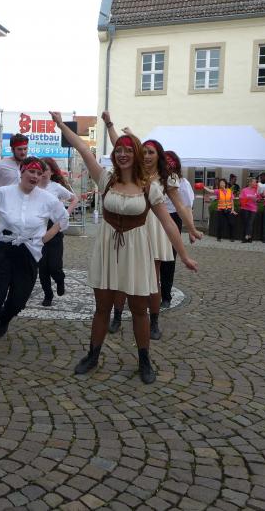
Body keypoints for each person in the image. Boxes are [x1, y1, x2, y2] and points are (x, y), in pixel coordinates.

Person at [52, 112, 197, 383]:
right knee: (102, 307)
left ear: (136, 154)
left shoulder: (149, 187)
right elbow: (82, 148)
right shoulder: (105, 178)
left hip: (136, 251)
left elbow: (168, 224)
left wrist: (185, 256)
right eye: (118, 150)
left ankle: (144, 360)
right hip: (107, 249)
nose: (122, 154)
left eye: (128, 150)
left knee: (139, 309)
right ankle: (93, 354)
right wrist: (61, 125)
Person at [103, 115, 202, 336]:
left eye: (151, 152)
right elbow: (118, 144)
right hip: (132, 225)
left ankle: (154, 321)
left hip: (155, 228)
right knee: (121, 275)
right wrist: (110, 125)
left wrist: (192, 229)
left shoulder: (167, 178)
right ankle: (117, 316)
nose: (147, 156)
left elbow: (181, 206)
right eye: (144, 152)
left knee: (152, 279)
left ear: (159, 156)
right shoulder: (135, 173)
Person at [0, 156, 69, 362]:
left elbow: (63, 219)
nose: (35, 176)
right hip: (3, 250)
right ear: (22, 171)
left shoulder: (47, 198)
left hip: (29, 253)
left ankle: (5, 318)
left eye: (39, 173)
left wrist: (44, 238)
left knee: (19, 300)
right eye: (31, 171)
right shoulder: (3, 193)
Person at [37, 157, 78, 307]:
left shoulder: (56, 187)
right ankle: (48, 294)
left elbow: (74, 199)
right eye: (40, 169)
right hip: (38, 230)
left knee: (54, 266)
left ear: (52, 172)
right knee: (42, 267)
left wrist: (66, 213)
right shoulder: (33, 186)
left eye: (46, 169)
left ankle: (60, 279)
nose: (42, 173)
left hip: (54, 228)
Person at [158, 151, 195, 307]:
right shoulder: (155, 180)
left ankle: (166, 296)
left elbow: (186, 207)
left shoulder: (182, 183)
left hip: (173, 218)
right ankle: (150, 292)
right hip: (155, 218)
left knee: (168, 258)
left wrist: (191, 230)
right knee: (153, 257)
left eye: (170, 163)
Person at [239, 177, 261, 243]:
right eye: (254, 182)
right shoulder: (244, 190)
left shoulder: (257, 190)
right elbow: (241, 199)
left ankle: (246, 237)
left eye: (256, 182)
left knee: (250, 223)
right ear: (250, 182)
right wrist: (248, 199)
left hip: (253, 209)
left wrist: (256, 199)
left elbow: (259, 199)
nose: (256, 183)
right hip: (245, 208)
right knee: (246, 223)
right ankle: (249, 237)